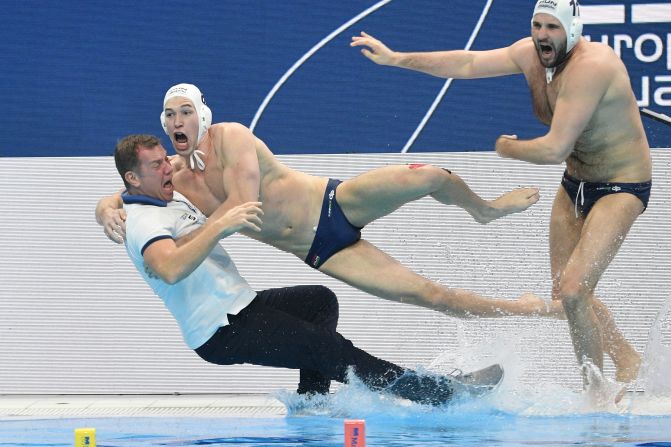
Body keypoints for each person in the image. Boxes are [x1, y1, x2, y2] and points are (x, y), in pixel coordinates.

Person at [351, 0, 649, 389]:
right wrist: (397, 59)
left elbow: (554, 149)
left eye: (552, 27)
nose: (542, 34)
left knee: (576, 292)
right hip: (575, 183)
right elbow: (467, 63)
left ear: (573, 30)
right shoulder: (530, 55)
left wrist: (508, 148)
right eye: (537, 25)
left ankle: (595, 392)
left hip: (621, 185)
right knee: (566, 298)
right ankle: (626, 357)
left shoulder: (593, 67)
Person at [97, 83, 564, 321]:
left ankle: (483, 209)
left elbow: (244, 205)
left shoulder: (232, 138)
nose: (176, 122)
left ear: (201, 116)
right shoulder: (172, 175)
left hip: (334, 203)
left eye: (184, 113)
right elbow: (126, 189)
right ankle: (528, 310)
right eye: (169, 115)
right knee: (430, 296)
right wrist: (105, 208)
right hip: (320, 251)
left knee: (430, 176)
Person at [111, 133, 504, 405]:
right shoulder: (144, 222)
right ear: (133, 177)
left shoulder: (159, 197)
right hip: (221, 329)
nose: (168, 168)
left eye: (166, 159)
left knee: (318, 302)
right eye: (157, 165)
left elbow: (118, 199)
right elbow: (169, 269)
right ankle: (440, 393)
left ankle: (311, 403)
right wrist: (219, 225)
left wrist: (102, 209)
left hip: (241, 307)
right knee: (330, 350)